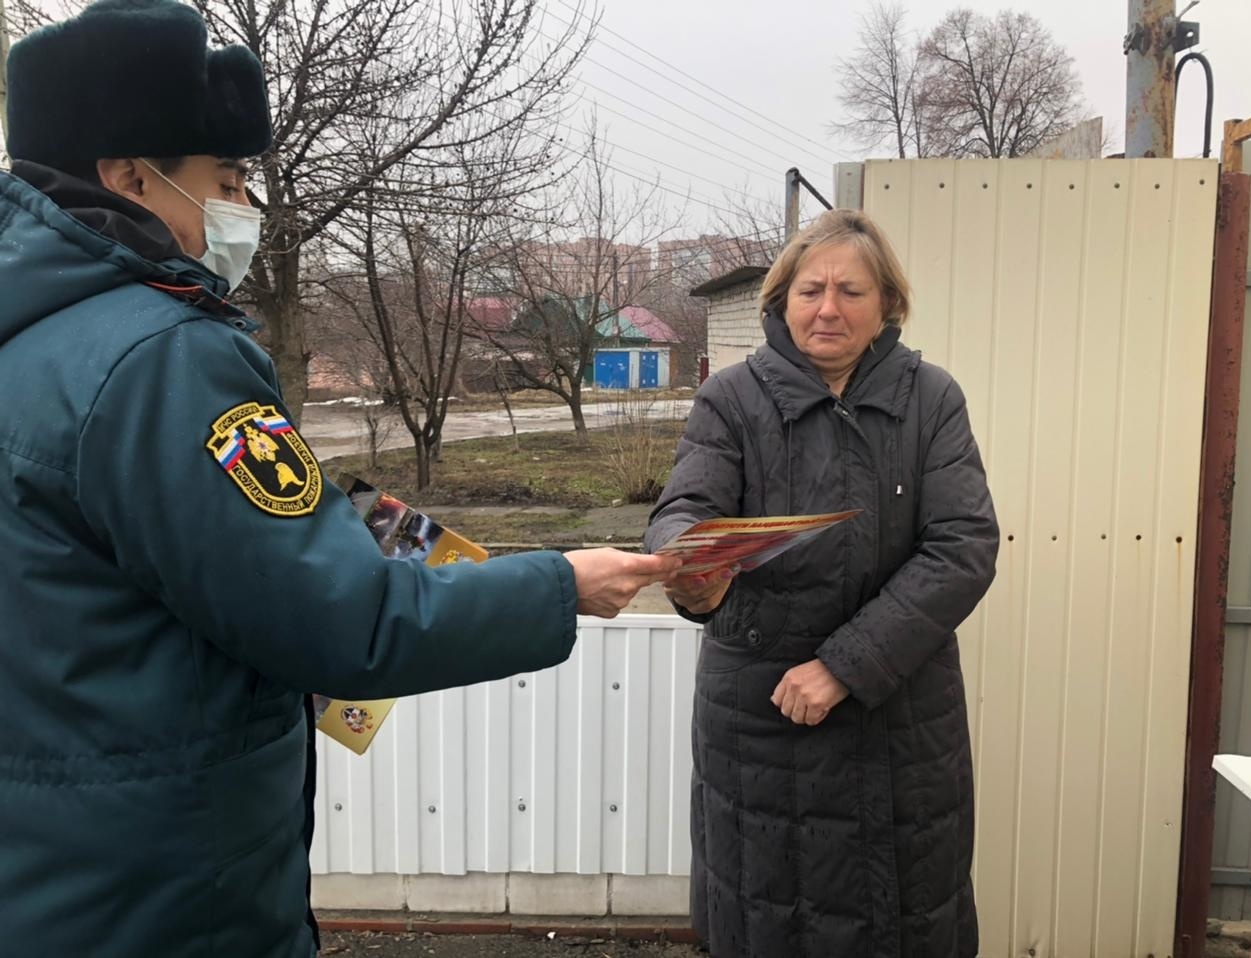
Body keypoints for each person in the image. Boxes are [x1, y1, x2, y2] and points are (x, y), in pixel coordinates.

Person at [0, 2, 678, 955]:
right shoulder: (163, 360)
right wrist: (561, 585)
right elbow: (343, 623)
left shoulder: (28, 339)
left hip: (51, 865)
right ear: (125, 177)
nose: (243, 208)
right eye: (225, 181)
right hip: (167, 891)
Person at [647, 209, 999, 957]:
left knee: (901, 919)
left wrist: (846, 665)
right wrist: (690, 573)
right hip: (761, 724)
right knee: (767, 915)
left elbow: (963, 546)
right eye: (811, 290)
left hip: (900, 722)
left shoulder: (932, 400)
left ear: (887, 307)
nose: (828, 308)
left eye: (851, 291)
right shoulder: (733, 401)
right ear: (783, 301)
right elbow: (685, 511)